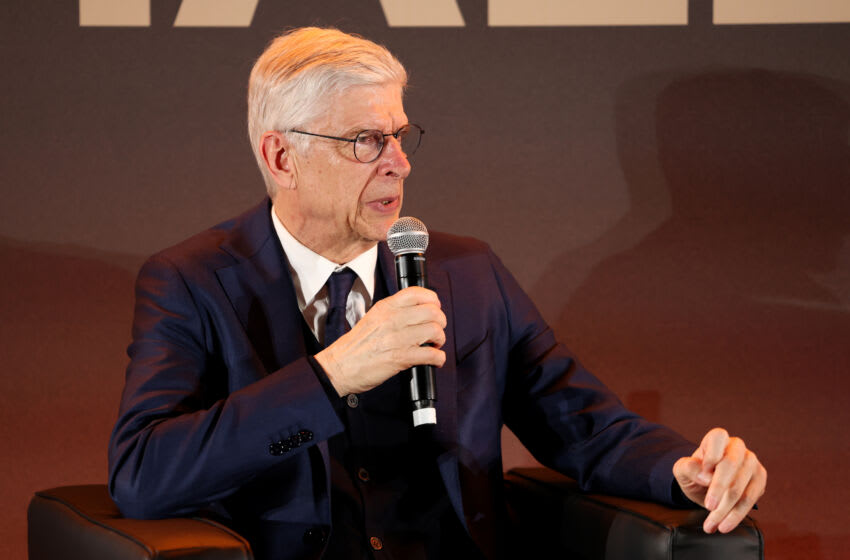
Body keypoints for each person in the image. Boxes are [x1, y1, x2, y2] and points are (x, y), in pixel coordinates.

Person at [108, 27, 767, 560]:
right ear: (282, 158)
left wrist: (682, 468)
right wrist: (332, 374)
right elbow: (144, 475)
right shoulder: (194, 280)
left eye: (399, 135)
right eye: (367, 141)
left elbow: (581, 424)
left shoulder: (467, 272)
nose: (399, 162)